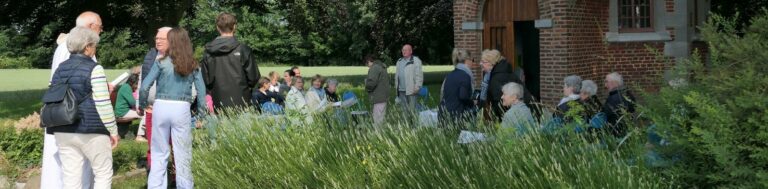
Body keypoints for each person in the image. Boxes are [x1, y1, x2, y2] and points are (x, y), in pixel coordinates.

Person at [47, 26, 118, 189]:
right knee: (103, 172)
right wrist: (113, 130)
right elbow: (103, 102)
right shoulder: (95, 68)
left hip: (63, 128)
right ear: (87, 47)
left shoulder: (60, 68)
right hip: (91, 129)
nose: (95, 49)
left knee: (70, 178)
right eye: (94, 45)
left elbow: (52, 95)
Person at [139, 28, 208, 189]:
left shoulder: (161, 61)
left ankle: (156, 186)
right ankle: (185, 186)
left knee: (159, 152)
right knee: (182, 151)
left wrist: (143, 105)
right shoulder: (192, 64)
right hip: (182, 107)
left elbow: (144, 87)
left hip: (161, 106)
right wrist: (201, 115)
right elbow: (202, 92)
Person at [43, 11, 103, 189]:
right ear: (91, 27)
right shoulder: (81, 48)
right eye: (100, 27)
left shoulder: (67, 45)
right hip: (74, 115)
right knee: (76, 167)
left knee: (68, 168)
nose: (101, 31)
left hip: (62, 113)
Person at [201, 13, 260, 113]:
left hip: (219, 103)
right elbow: (253, 78)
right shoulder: (243, 49)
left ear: (217, 28)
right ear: (234, 27)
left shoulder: (209, 52)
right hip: (242, 104)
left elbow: (206, 80)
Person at [484, 49, 532, 122]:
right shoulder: (503, 71)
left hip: (517, 115)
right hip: (525, 110)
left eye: (484, 62)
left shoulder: (497, 77)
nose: (481, 64)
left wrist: (501, 121)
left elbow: (499, 103)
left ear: (491, 63)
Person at [439, 49, 476, 127]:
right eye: (473, 60)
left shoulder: (450, 75)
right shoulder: (466, 76)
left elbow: (442, 94)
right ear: (467, 60)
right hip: (457, 116)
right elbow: (463, 96)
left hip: (444, 113)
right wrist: (473, 102)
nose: (473, 63)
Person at [602, 72, 636, 137]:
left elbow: (605, 115)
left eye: (606, 82)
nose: (605, 85)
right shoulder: (628, 94)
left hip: (616, 133)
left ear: (615, 83)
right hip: (629, 130)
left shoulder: (614, 98)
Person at [394, 44, 424, 111]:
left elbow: (419, 76)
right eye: (403, 50)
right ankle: (406, 121)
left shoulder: (416, 60)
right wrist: (397, 88)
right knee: (404, 111)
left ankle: (413, 121)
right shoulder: (399, 61)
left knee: (412, 110)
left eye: (406, 50)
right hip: (401, 91)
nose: (404, 51)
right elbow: (397, 76)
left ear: (411, 51)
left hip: (412, 90)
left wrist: (417, 88)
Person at [365, 56, 390, 125]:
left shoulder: (375, 68)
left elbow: (372, 82)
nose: (368, 66)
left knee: (377, 120)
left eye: (367, 64)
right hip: (383, 96)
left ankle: (378, 135)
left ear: (369, 62)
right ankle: (380, 134)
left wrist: (367, 87)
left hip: (378, 97)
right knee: (381, 118)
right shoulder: (381, 67)